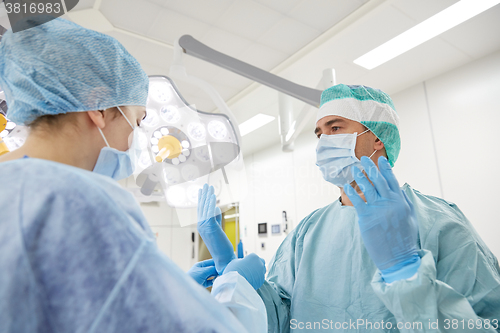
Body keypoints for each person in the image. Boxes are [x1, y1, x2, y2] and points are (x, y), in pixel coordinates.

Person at [0, 17, 267, 332]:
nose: (136, 141)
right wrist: (236, 290)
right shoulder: (77, 202)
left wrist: (170, 290)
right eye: (138, 122)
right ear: (98, 108)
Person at [201, 84, 500, 332]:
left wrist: (406, 274)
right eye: (319, 133)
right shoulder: (308, 231)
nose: (323, 142)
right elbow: (283, 316)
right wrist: (243, 287)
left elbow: (487, 321)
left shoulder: (437, 221)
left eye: (335, 127)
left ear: (377, 137)